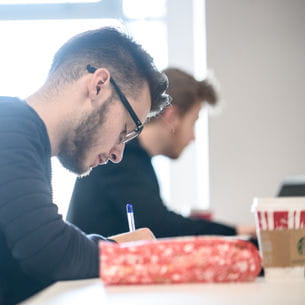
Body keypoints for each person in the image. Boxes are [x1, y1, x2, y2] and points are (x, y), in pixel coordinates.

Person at [0, 27, 170, 305]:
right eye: (125, 131)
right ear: (99, 86)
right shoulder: (9, 126)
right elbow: (51, 253)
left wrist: (114, 248)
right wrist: (124, 251)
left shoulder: (26, 141)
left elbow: (24, 268)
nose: (118, 154)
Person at [67, 68, 256, 239]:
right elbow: (160, 226)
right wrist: (237, 231)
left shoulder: (137, 159)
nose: (193, 137)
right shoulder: (122, 159)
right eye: (194, 121)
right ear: (171, 117)